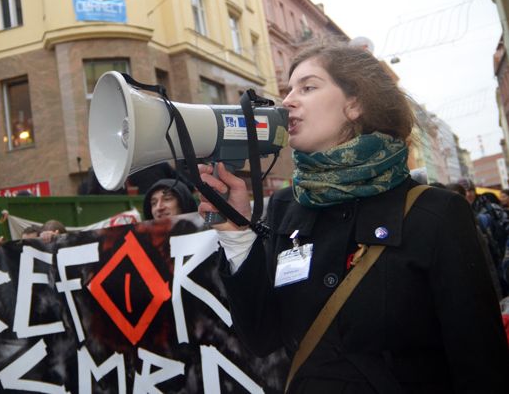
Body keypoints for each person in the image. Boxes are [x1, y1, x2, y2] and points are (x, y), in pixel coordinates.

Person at [198, 40, 509, 392]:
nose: (288, 101)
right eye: (288, 90)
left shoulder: (436, 213)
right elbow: (262, 337)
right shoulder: (286, 206)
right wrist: (236, 233)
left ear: (355, 103)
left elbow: (482, 365)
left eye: (308, 87)